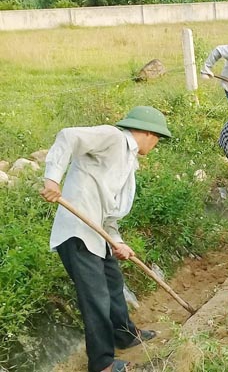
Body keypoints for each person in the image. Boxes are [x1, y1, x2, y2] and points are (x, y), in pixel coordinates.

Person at [40, 106, 172, 372]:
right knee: (96, 298)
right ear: (148, 133)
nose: (156, 144)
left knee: (113, 285)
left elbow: (110, 212)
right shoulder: (113, 138)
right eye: (158, 138)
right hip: (78, 232)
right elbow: (68, 136)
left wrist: (117, 241)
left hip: (98, 235)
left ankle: (124, 334)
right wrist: (52, 180)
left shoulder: (128, 162)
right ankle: (102, 364)